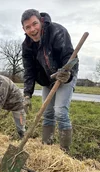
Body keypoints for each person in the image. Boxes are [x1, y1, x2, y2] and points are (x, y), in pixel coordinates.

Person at [21, 9, 79, 151]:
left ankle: (64, 152)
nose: (32, 29)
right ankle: (47, 149)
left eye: (34, 24)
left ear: (40, 21)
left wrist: (67, 73)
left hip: (65, 75)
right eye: (28, 27)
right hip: (47, 79)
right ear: (23, 29)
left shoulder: (57, 32)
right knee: (47, 112)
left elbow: (70, 57)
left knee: (60, 111)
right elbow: (29, 71)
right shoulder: (27, 45)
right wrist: (27, 94)